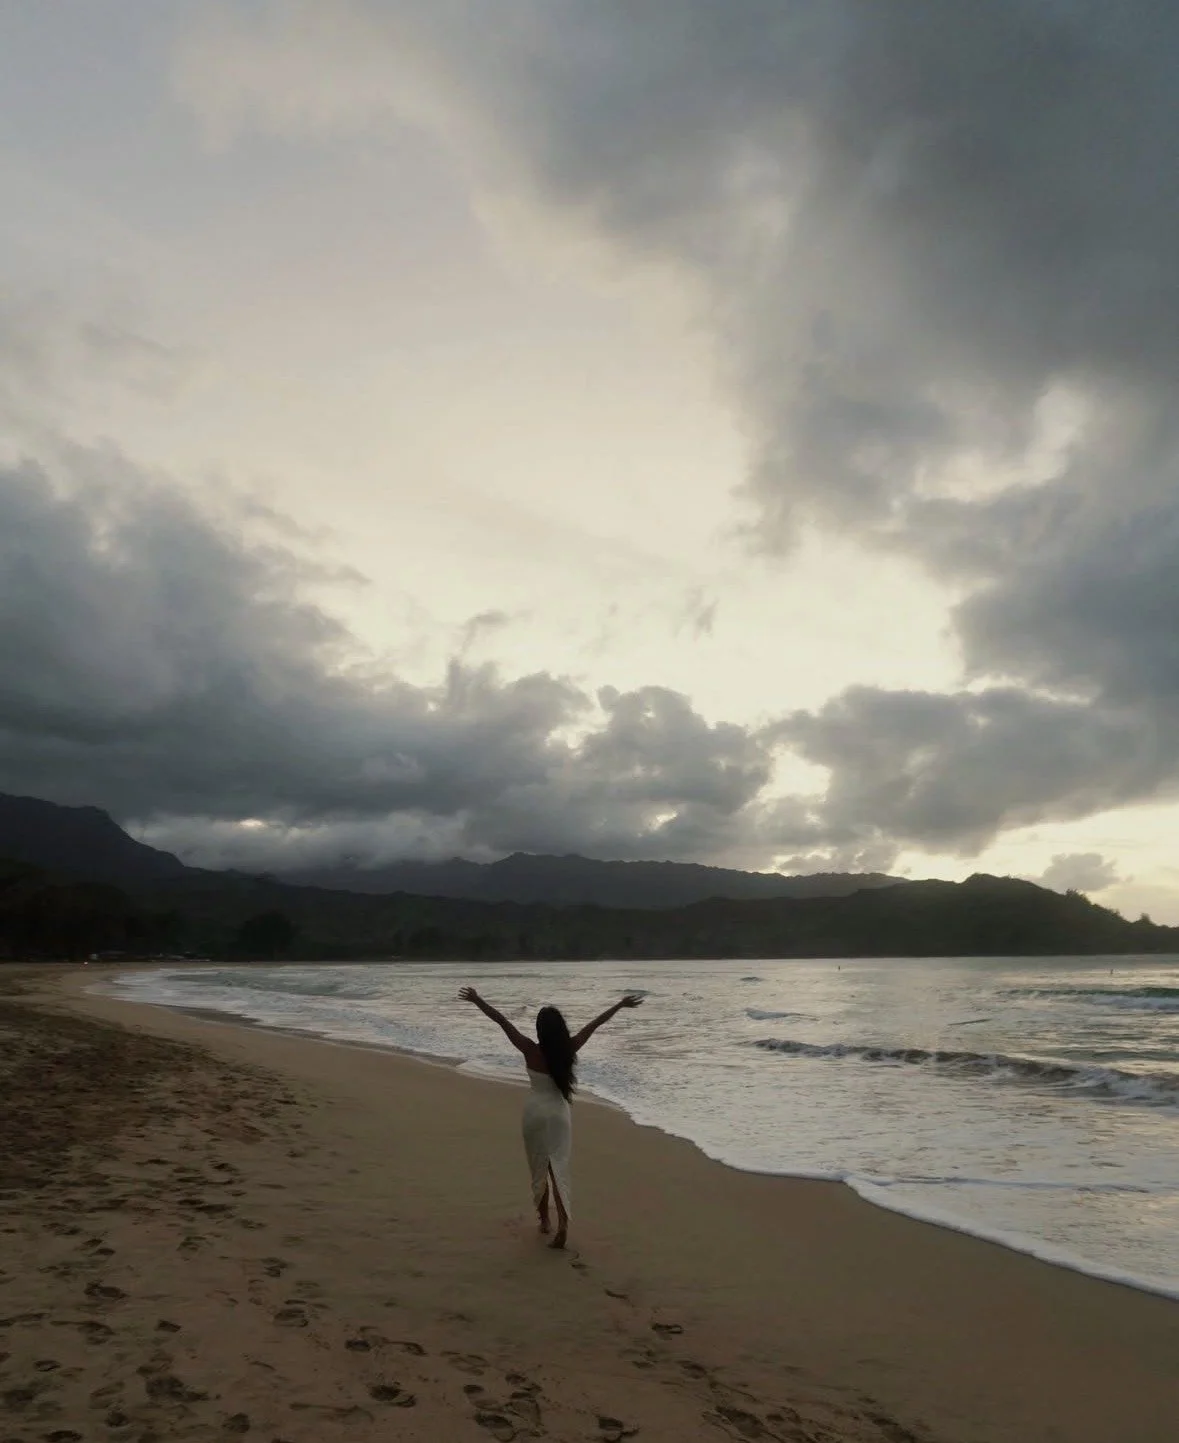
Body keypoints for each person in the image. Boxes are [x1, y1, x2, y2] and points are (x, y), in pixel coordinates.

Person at [458, 986, 644, 1249]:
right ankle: (563, 1224)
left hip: (534, 1112)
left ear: (540, 1030)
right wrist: (619, 1005)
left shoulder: (529, 1049)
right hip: (558, 1115)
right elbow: (596, 1024)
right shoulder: (569, 1048)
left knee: (539, 1167)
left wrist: (477, 1000)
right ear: (560, 1029)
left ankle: (544, 1220)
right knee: (559, 1168)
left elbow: (501, 1021)